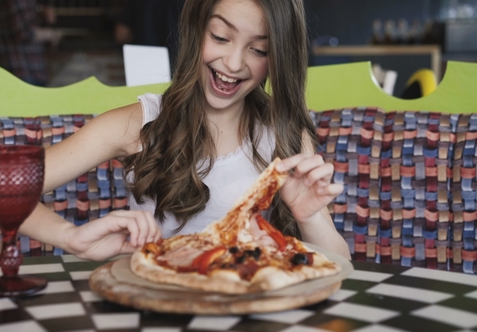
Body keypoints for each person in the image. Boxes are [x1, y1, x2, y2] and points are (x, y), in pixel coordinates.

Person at [18, 0, 351, 261]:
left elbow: (341, 266)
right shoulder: (138, 123)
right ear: (196, 30)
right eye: (220, 37)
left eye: (259, 49)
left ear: (276, 57)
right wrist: (69, 237)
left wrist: (310, 218)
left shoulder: (287, 135)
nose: (233, 63)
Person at [0, 0, 60, 87]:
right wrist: (51, 34)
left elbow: (10, 19)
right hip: (24, 71)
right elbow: (24, 33)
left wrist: (39, 13)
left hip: (3, 69)